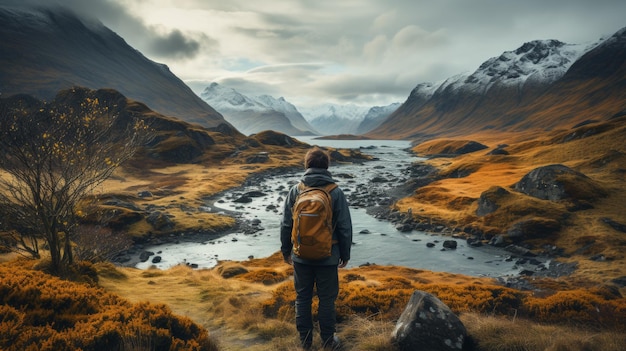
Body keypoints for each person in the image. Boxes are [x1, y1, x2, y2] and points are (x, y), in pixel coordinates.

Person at [280, 147, 353, 350]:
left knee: (302, 297)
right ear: (326, 166)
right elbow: (345, 226)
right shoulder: (335, 192)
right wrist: (345, 254)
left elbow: (286, 224)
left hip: (301, 256)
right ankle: (328, 341)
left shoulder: (296, 190)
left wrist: (286, 251)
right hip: (328, 256)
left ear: (307, 165)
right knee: (327, 300)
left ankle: (305, 342)